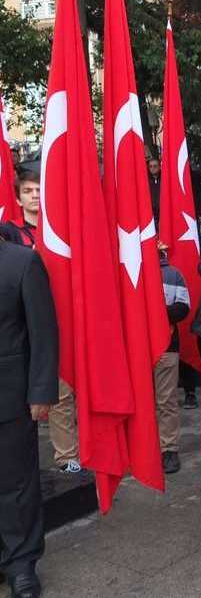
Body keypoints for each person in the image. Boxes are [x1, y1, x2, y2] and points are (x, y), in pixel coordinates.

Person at [4, 171, 80, 473]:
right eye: (28, 190)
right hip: (28, 323)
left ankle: (80, 455)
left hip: (67, 313)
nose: (35, 195)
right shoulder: (10, 233)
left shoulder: (61, 227)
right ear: (18, 197)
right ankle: (64, 457)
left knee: (72, 386)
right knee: (54, 389)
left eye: (39, 189)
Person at [0, 231, 59, 598]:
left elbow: (43, 331)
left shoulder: (22, 262)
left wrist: (41, 391)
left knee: (17, 484)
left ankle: (21, 564)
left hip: (10, 396)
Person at [155, 245, 191, 474]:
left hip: (167, 346)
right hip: (137, 349)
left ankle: (169, 450)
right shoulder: (130, 269)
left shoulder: (173, 274)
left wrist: (154, 311)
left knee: (166, 400)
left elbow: (183, 307)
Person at [148, 158, 162, 227]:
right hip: (150, 216)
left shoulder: (165, 179)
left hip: (163, 215)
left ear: (160, 167)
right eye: (150, 166)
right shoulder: (145, 181)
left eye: (155, 166)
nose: (152, 168)